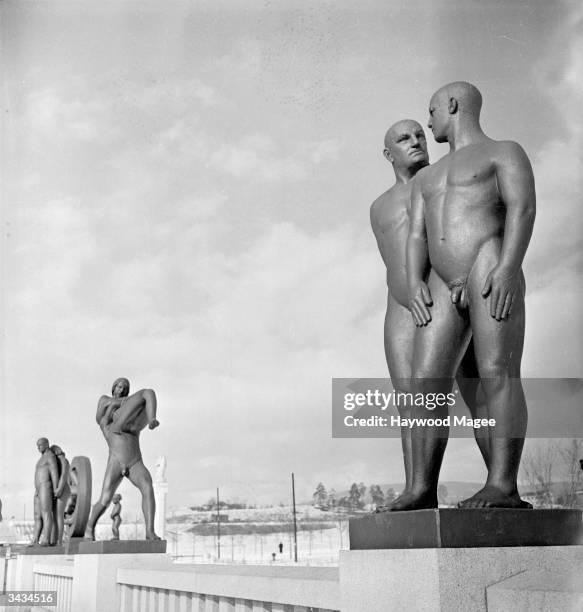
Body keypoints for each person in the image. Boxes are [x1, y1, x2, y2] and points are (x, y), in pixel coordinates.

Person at [404, 81, 535, 509]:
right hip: (443, 280)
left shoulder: (503, 152)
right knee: (427, 385)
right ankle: (422, 487)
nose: (428, 122)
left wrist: (508, 267)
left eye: (432, 111)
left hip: (488, 262)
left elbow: (522, 208)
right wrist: (415, 281)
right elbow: (418, 235)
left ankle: (503, 484)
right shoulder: (427, 178)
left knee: (497, 373)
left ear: (452, 105)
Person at [370, 119, 489, 510]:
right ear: (389, 154)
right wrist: (407, 291)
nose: (416, 141)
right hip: (401, 304)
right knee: (409, 399)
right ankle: (418, 490)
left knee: (476, 392)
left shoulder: (441, 183)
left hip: (445, 295)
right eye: (404, 139)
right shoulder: (380, 206)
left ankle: (500, 484)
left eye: (420, 134)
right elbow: (392, 259)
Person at [85, 378, 161, 540]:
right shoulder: (106, 416)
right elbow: (100, 414)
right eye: (119, 386)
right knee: (104, 499)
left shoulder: (130, 421)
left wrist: (148, 416)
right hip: (116, 460)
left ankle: (150, 531)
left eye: (125, 387)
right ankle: (89, 527)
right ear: (113, 387)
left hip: (134, 459)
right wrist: (118, 403)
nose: (122, 389)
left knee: (147, 487)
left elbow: (144, 396)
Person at [30, 438, 59, 546]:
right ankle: (34, 540)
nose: (38, 447)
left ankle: (46, 538)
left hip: (45, 486)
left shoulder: (50, 456)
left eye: (40, 445)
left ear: (47, 444)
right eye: (37, 446)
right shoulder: (41, 458)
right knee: (37, 515)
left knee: (46, 512)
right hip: (37, 489)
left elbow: (54, 472)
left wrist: (56, 488)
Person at [50, 444, 70, 546]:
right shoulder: (56, 462)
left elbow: (64, 476)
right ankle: (54, 540)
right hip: (57, 490)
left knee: (58, 516)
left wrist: (59, 489)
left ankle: (59, 541)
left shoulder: (64, 461)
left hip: (63, 490)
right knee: (54, 516)